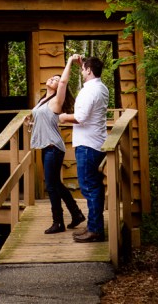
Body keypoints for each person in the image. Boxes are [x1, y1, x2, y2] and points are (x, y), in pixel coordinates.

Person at [26, 59, 86, 235]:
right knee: (55, 184)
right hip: (47, 147)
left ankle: (58, 222)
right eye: (51, 78)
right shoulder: (43, 101)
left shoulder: (56, 101)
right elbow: (39, 118)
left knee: (51, 186)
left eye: (55, 79)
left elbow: (63, 82)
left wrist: (69, 62)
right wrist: (30, 122)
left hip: (53, 147)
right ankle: (76, 214)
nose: (53, 79)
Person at [59, 54, 110, 243]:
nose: (81, 71)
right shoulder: (100, 87)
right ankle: (92, 226)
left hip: (88, 145)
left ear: (88, 71)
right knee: (93, 186)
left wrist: (63, 117)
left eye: (83, 69)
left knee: (90, 187)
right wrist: (83, 63)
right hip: (95, 142)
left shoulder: (90, 91)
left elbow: (80, 117)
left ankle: (95, 230)